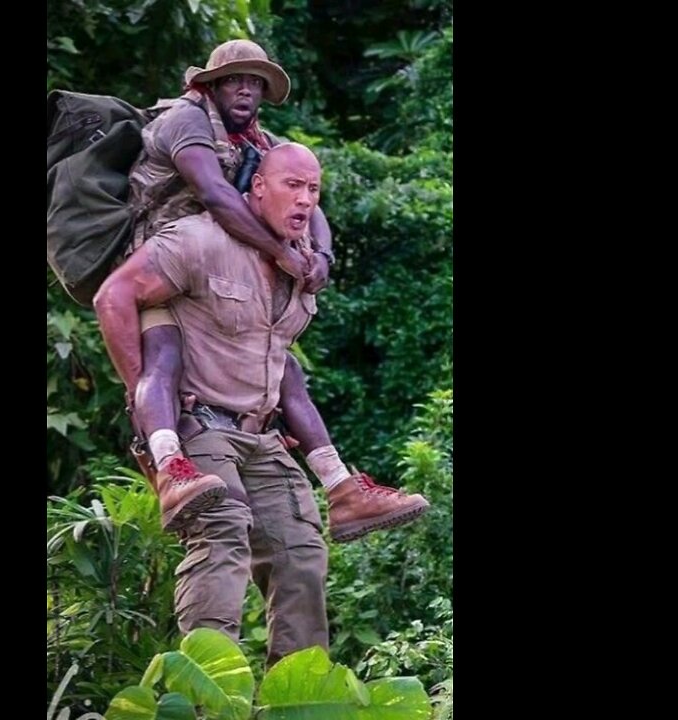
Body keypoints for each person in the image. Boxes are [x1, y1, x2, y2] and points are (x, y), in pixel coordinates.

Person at [97, 143, 427, 664]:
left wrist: (324, 462)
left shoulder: (299, 267)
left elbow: (281, 363)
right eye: (292, 185)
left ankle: (293, 699)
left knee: (301, 554)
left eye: (313, 190)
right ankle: (210, 693)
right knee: (221, 536)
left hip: (262, 435)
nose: (304, 199)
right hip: (198, 427)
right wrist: (144, 403)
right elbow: (112, 297)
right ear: (256, 188)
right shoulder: (199, 239)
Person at [94, 40, 423, 542]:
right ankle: (169, 464)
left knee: (284, 371)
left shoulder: (252, 140)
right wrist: (282, 253)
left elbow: (306, 199)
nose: (246, 89)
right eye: (234, 80)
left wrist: (323, 257)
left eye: (255, 82)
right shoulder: (186, 121)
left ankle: (341, 486)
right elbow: (216, 194)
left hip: (211, 271)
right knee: (164, 357)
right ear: (209, 85)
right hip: (160, 266)